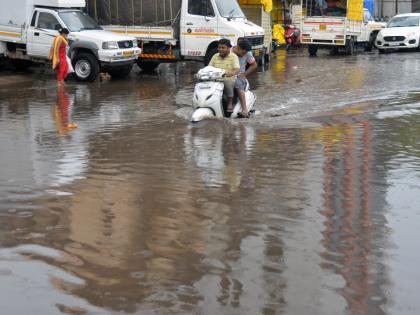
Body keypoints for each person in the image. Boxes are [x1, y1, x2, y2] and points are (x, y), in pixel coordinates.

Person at [208, 38, 240, 115]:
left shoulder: (233, 57)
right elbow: (209, 67)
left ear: (229, 48)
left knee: (227, 81)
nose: (220, 49)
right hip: (215, 79)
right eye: (219, 47)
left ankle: (229, 103)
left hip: (229, 78)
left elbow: (237, 69)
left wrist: (231, 73)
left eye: (223, 48)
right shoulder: (215, 56)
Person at [232, 38, 257, 118]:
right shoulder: (229, 52)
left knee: (237, 83)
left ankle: (244, 110)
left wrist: (244, 74)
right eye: (243, 52)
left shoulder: (247, 53)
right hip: (227, 76)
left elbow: (254, 65)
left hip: (239, 77)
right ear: (238, 48)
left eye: (245, 53)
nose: (244, 54)